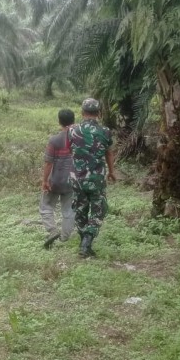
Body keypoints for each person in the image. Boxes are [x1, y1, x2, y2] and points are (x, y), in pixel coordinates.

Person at [69, 98, 116, 258]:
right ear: (99, 113)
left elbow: (72, 151)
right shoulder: (105, 132)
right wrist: (111, 171)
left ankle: (85, 244)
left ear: (82, 113)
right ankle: (87, 242)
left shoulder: (72, 131)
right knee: (99, 210)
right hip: (96, 179)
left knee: (80, 210)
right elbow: (109, 153)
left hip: (77, 178)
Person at [41, 108, 76, 249]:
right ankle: (64, 238)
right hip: (72, 180)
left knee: (45, 206)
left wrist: (44, 181)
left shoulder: (54, 140)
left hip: (55, 180)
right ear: (73, 120)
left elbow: (49, 163)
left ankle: (52, 231)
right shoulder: (79, 139)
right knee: (69, 211)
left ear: (59, 121)